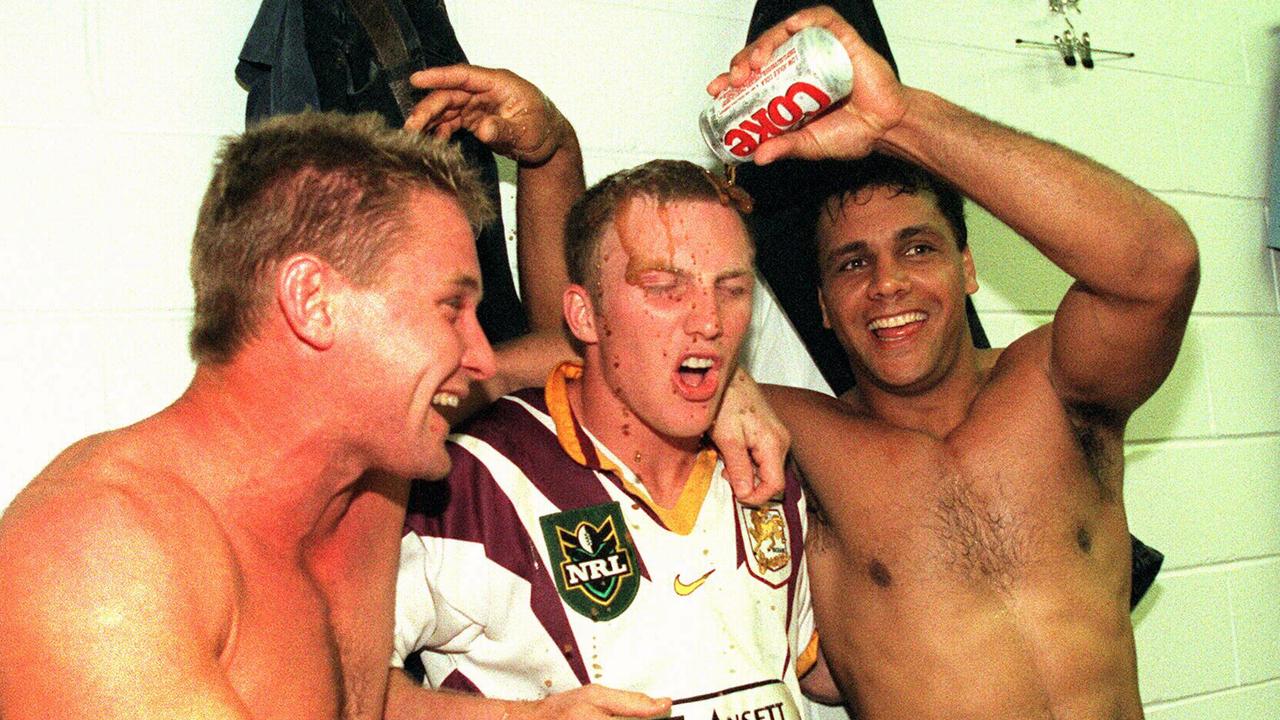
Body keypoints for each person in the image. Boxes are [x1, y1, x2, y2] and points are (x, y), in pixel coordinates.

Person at [706, 6, 1200, 720]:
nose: (887, 285)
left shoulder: (1055, 387)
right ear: (820, 303)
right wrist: (726, 389)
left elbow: (1160, 267)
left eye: (918, 248)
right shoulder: (801, 437)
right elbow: (599, 354)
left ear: (967, 268)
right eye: (853, 263)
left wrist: (900, 119)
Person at [0, 111, 500, 720]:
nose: (481, 357)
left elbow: (338, 698)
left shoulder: (370, 486)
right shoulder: (99, 559)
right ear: (313, 303)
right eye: (452, 308)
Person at [384, 157, 829, 720]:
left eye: (733, 288)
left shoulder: (766, 466)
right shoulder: (475, 480)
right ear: (584, 314)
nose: (709, 320)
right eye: (666, 288)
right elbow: (339, 689)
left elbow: (824, 670)